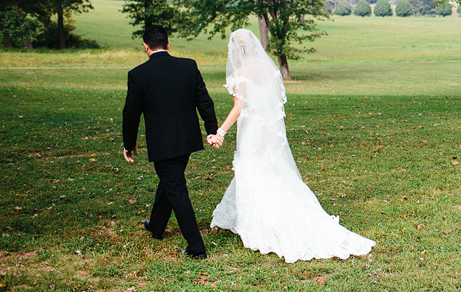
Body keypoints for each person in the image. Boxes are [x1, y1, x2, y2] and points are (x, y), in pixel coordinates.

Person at [208, 29, 375, 263]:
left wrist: (220, 132)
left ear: (236, 49)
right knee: (270, 173)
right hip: (267, 131)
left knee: (252, 172)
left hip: (251, 134)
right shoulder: (270, 70)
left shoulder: (240, 73)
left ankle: (261, 225)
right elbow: (275, 105)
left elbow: (239, 108)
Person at [122, 25, 219, 259]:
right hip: (187, 140)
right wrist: (211, 129)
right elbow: (204, 100)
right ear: (168, 44)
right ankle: (156, 225)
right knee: (170, 181)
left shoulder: (138, 74)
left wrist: (129, 143)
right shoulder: (188, 66)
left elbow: (131, 113)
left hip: (163, 145)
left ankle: (197, 247)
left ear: (146, 48)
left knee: (176, 189)